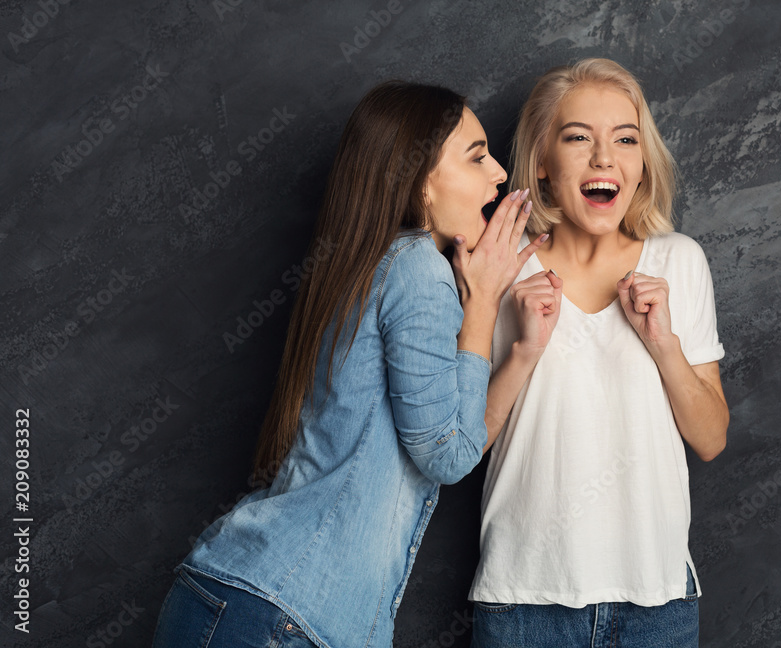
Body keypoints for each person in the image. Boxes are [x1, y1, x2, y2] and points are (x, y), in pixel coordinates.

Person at [151, 81, 556, 648]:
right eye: (477, 156)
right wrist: (483, 304)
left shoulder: (371, 262)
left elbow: (451, 437)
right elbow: (447, 455)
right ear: (421, 183)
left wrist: (523, 353)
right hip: (282, 615)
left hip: (243, 599)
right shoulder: (419, 269)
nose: (499, 174)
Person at [468, 58, 730, 648]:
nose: (604, 159)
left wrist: (663, 345)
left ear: (642, 164)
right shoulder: (499, 266)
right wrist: (524, 351)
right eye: (578, 138)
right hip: (523, 603)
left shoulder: (680, 261)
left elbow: (711, 438)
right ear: (542, 161)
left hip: (657, 605)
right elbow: (461, 447)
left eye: (626, 140)